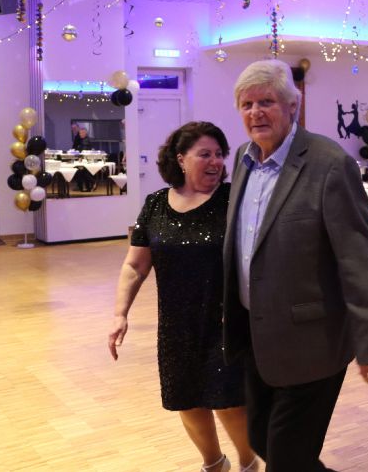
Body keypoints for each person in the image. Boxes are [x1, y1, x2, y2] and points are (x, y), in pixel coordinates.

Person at [222, 60, 368, 471]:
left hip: (313, 341)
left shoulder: (329, 163)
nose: (255, 113)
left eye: (266, 102)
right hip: (258, 336)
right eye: (246, 104)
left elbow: (359, 258)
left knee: (286, 459)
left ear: (292, 106)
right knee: (261, 439)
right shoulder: (243, 158)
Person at [107, 121, 257, 472]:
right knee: (186, 400)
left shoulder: (233, 200)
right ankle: (214, 465)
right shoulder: (156, 205)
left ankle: (249, 464)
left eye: (219, 154)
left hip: (225, 321)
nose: (215, 161)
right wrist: (120, 313)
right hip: (176, 325)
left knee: (229, 401)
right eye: (205, 154)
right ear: (181, 159)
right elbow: (135, 266)